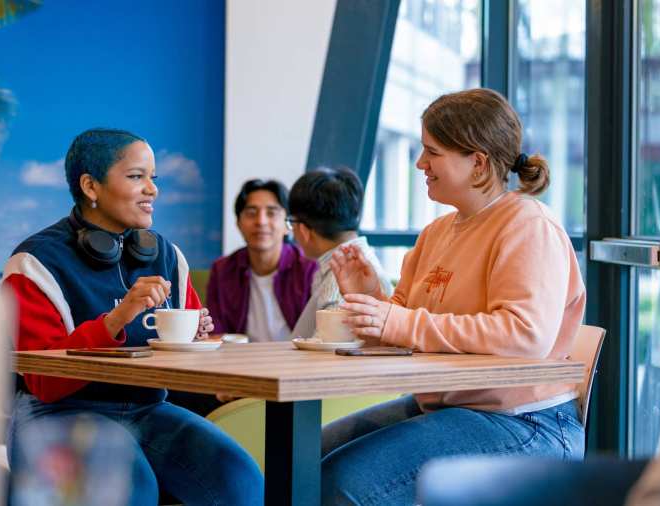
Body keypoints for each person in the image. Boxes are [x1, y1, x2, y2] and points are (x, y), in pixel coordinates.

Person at [320, 88, 586, 505]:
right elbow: (406, 328)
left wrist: (397, 321)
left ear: (477, 162)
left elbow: (525, 335)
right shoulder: (436, 233)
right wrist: (372, 298)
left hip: (525, 424)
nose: (419, 164)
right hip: (446, 409)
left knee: (339, 481)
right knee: (303, 461)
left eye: (432, 152)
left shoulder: (529, 225)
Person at [2, 128, 263, 506]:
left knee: (239, 480)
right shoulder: (33, 263)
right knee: (130, 489)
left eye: (152, 178)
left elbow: (185, 345)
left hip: (146, 408)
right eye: (137, 176)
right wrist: (116, 319)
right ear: (91, 186)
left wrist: (196, 336)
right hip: (56, 414)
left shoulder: (166, 255)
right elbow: (44, 381)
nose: (153, 190)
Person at [287, 167, 391, 340]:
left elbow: (327, 351)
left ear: (303, 230)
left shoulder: (343, 277)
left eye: (291, 223)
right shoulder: (364, 261)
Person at [206, 179, 317, 341]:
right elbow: (215, 334)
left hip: (298, 362)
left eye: (271, 213)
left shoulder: (309, 269)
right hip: (240, 362)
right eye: (251, 213)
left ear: (288, 224)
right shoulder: (222, 270)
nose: (261, 221)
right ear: (238, 223)